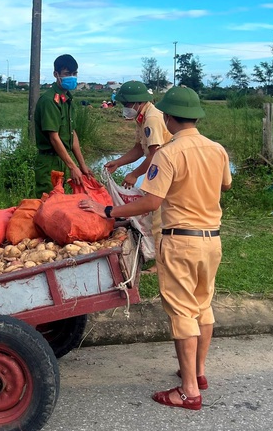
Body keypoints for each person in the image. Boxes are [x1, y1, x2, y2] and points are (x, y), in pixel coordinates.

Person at [80, 86, 232, 411]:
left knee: (181, 312)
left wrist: (107, 211)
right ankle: (199, 373)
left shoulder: (169, 154)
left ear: (168, 117)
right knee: (202, 306)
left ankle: (189, 391)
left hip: (180, 241)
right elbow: (225, 184)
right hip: (212, 240)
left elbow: (150, 201)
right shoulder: (217, 150)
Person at [104, 80, 172, 255]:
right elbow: (139, 148)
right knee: (157, 212)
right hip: (160, 169)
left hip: (166, 169)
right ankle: (158, 253)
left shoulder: (152, 119)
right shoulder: (141, 117)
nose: (125, 107)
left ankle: (159, 260)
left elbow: (154, 154)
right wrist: (118, 162)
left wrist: (134, 174)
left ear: (138, 102)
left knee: (158, 215)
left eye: (127, 104)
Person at [34, 54, 92, 197]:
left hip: (62, 159)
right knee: (47, 204)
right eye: (67, 74)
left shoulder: (67, 99)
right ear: (56, 74)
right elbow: (54, 137)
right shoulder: (49, 101)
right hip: (49, 162)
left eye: (74, 74)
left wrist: (82, 165)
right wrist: (73, 166)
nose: (71, 77)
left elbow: (72, 133)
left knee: (61, 204)